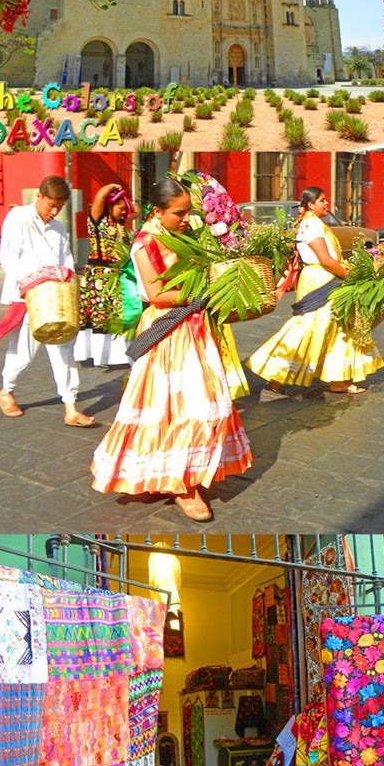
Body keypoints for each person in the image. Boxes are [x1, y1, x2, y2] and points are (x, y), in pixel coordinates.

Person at [91, 176, 252, 521]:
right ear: (157, 210)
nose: (186, 218)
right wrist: (204, 294)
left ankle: (177, 472)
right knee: (177, 406)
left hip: (193, 327)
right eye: (178, 213)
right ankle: (182, 485)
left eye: (189, 212)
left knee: (197, 403)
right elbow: (156, 294)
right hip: (168, 332)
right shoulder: (145, 243)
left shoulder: (178, 235)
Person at [247, 186, 384, 395]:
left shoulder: (312, 223)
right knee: (310, 327)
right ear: (310, 204)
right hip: (321, 279)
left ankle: (337, 380)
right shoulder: (311, 225)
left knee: (335, 328)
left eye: (326, 200)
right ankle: (273, 369)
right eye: (322, 200)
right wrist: (350, 276)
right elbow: (325, 259)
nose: (326, 204)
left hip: (321, 277)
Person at [0, 175, 95, 425]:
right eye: (51, 205)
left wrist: (66, 278)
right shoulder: (18, 219)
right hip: (27, 296)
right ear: (38, 196)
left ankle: (70, 407)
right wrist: (34, 280)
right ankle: (6, 389)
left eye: (59, 207)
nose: (54, 211)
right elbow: (8, 258)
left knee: (64, 348)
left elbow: (66, 259)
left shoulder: (58, 227)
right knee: (23, 352)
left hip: (56, 297)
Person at [74, 182, 138, 366]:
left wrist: (124, 199)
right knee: (101, 314)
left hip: (117, 276)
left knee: (117, 313)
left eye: (125, 209)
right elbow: (100, 197)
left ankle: (117, 355)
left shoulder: (121, 225)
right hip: (99, 276)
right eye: (120, 208)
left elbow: (137, 210)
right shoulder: (97, 221)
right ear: (109, 206)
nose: (125, 212)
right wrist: (111, 187)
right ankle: (99, 355)